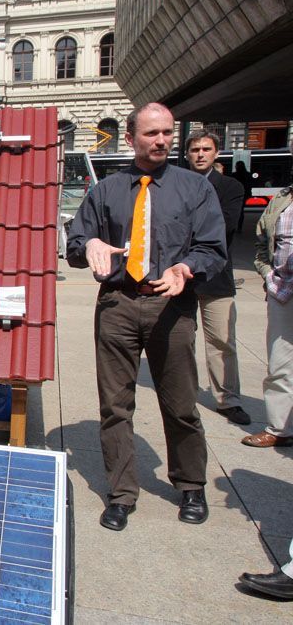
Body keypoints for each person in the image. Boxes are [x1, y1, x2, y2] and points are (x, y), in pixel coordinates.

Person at [66, 102, 227, 531]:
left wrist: (186, 267)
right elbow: (77, 242)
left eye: (167, 133)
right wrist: (89, 247)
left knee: (179, 404)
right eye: (151, 133)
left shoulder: (194, 189)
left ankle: (190, 485)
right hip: (117, 303)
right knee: (115, 406)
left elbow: (213, 247)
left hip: (171, 306)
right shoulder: (106, 191)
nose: (161, 141)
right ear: (131, 137)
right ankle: (121, 494)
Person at [184, 130, 249, 424]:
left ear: (216, 153)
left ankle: (228, 399)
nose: (200, 154)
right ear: (187, 154)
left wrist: (185, 231)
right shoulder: (176, 184)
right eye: (195, 149)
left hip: (216, 274)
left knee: (222, 340)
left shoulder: (230, 186)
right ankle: (183, 393)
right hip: (179, 276)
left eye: (205, 149)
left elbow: (226, 226)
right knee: (181, 338)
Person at [242, 179, 293, 447]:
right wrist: (267, 274)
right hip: (283, 291)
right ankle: (279, 429)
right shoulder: (281, 200)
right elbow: (262, 240)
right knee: (280, 362)